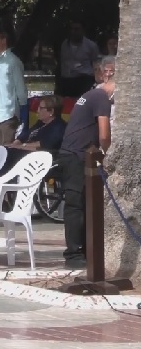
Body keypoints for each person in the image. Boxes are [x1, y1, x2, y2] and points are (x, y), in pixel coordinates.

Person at [57, 55, 115, 269]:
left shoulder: (90, 95)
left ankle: (84, 251)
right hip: (76, 156)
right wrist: (108, 154)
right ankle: (73, 254)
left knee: (82, 204)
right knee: (75, 205)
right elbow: (104, 135)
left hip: (74, 154)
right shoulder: (101, 98)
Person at [0, 28, 27, 146]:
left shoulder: (13, 61)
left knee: (7, 150)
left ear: (4, 40)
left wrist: (22, 112)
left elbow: (20, 88)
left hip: (8, 114)